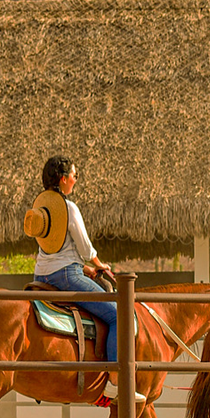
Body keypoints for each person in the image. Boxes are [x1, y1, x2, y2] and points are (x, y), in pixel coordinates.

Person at [32, 155, 145, 404]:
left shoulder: (42, 209)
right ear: (64, 179)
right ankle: (116, 383)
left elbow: (57, 251)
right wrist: (97, 264)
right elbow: (84, 247)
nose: (75, 179)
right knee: (118, 315)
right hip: (66, 276)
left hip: (42, 274)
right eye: (74, 175)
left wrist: (85, 269)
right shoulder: (69, 208)